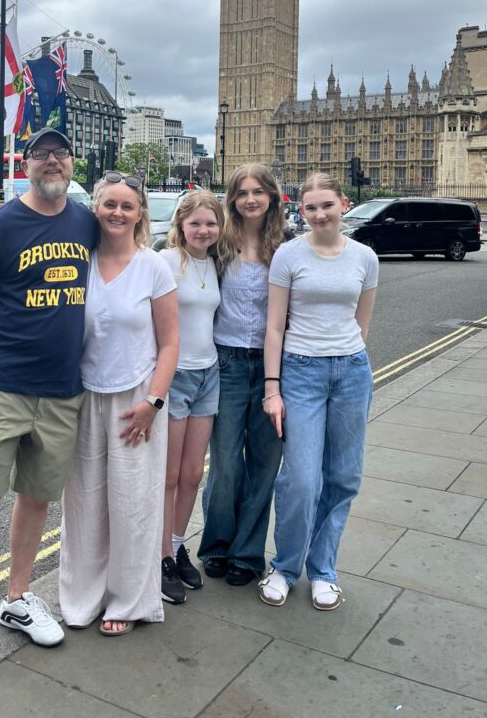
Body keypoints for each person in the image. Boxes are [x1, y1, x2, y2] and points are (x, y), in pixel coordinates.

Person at [0, 128, 97, 671]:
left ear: (72, 164)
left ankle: (17, 598)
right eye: (42, 154)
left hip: (61, 388)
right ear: (26, 164)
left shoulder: (86, 222)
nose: (52, 162)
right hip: (1, 383)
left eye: (61, 153)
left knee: (36, 498)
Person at [59, 172, 179, 636]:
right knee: (84, 504)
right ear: (95, 209)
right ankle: (82, 598)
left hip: (137, 399)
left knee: (133, 505)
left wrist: (153, 402)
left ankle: (129, 602)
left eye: (127, 206)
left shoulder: (153, 267)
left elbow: (170, 343)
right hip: (85, 395)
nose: (118, 212)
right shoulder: (79, 262)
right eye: (109, 204)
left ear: (139, 213)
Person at [260, 171, 378, 611]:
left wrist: (346, 355)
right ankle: (285, 567)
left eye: (327, 205)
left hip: (351, 371)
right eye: (310, 207)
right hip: (301, 371)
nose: (319, 214)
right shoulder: (288, 255)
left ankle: (324, 569)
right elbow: (275, 327)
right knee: (301, 478)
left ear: (343, 204)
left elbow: (362, 323)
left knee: (344, 476)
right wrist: (272, 387)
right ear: (301, 210)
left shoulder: (365, 257)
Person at [198, 164, 289, 586]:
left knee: (264, 464)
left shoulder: (286, 247)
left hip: (275, 367)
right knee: (225, 464)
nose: (250, 199)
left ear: (271, 196)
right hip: (227, 362)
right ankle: (217, 544)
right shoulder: (220, 246)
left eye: (258, 192)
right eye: (241, 193)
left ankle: (248, 554)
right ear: (232, 200)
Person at [159, 190, 224, 605]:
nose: (203, 230)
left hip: (208, 375)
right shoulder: (166, 262)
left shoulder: (217, 263)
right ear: (181, 225)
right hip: (176, 376)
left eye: (211, 223)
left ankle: (177, 544)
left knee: (192, 474)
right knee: (167, 476)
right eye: (196, 223)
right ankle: (161, 556)